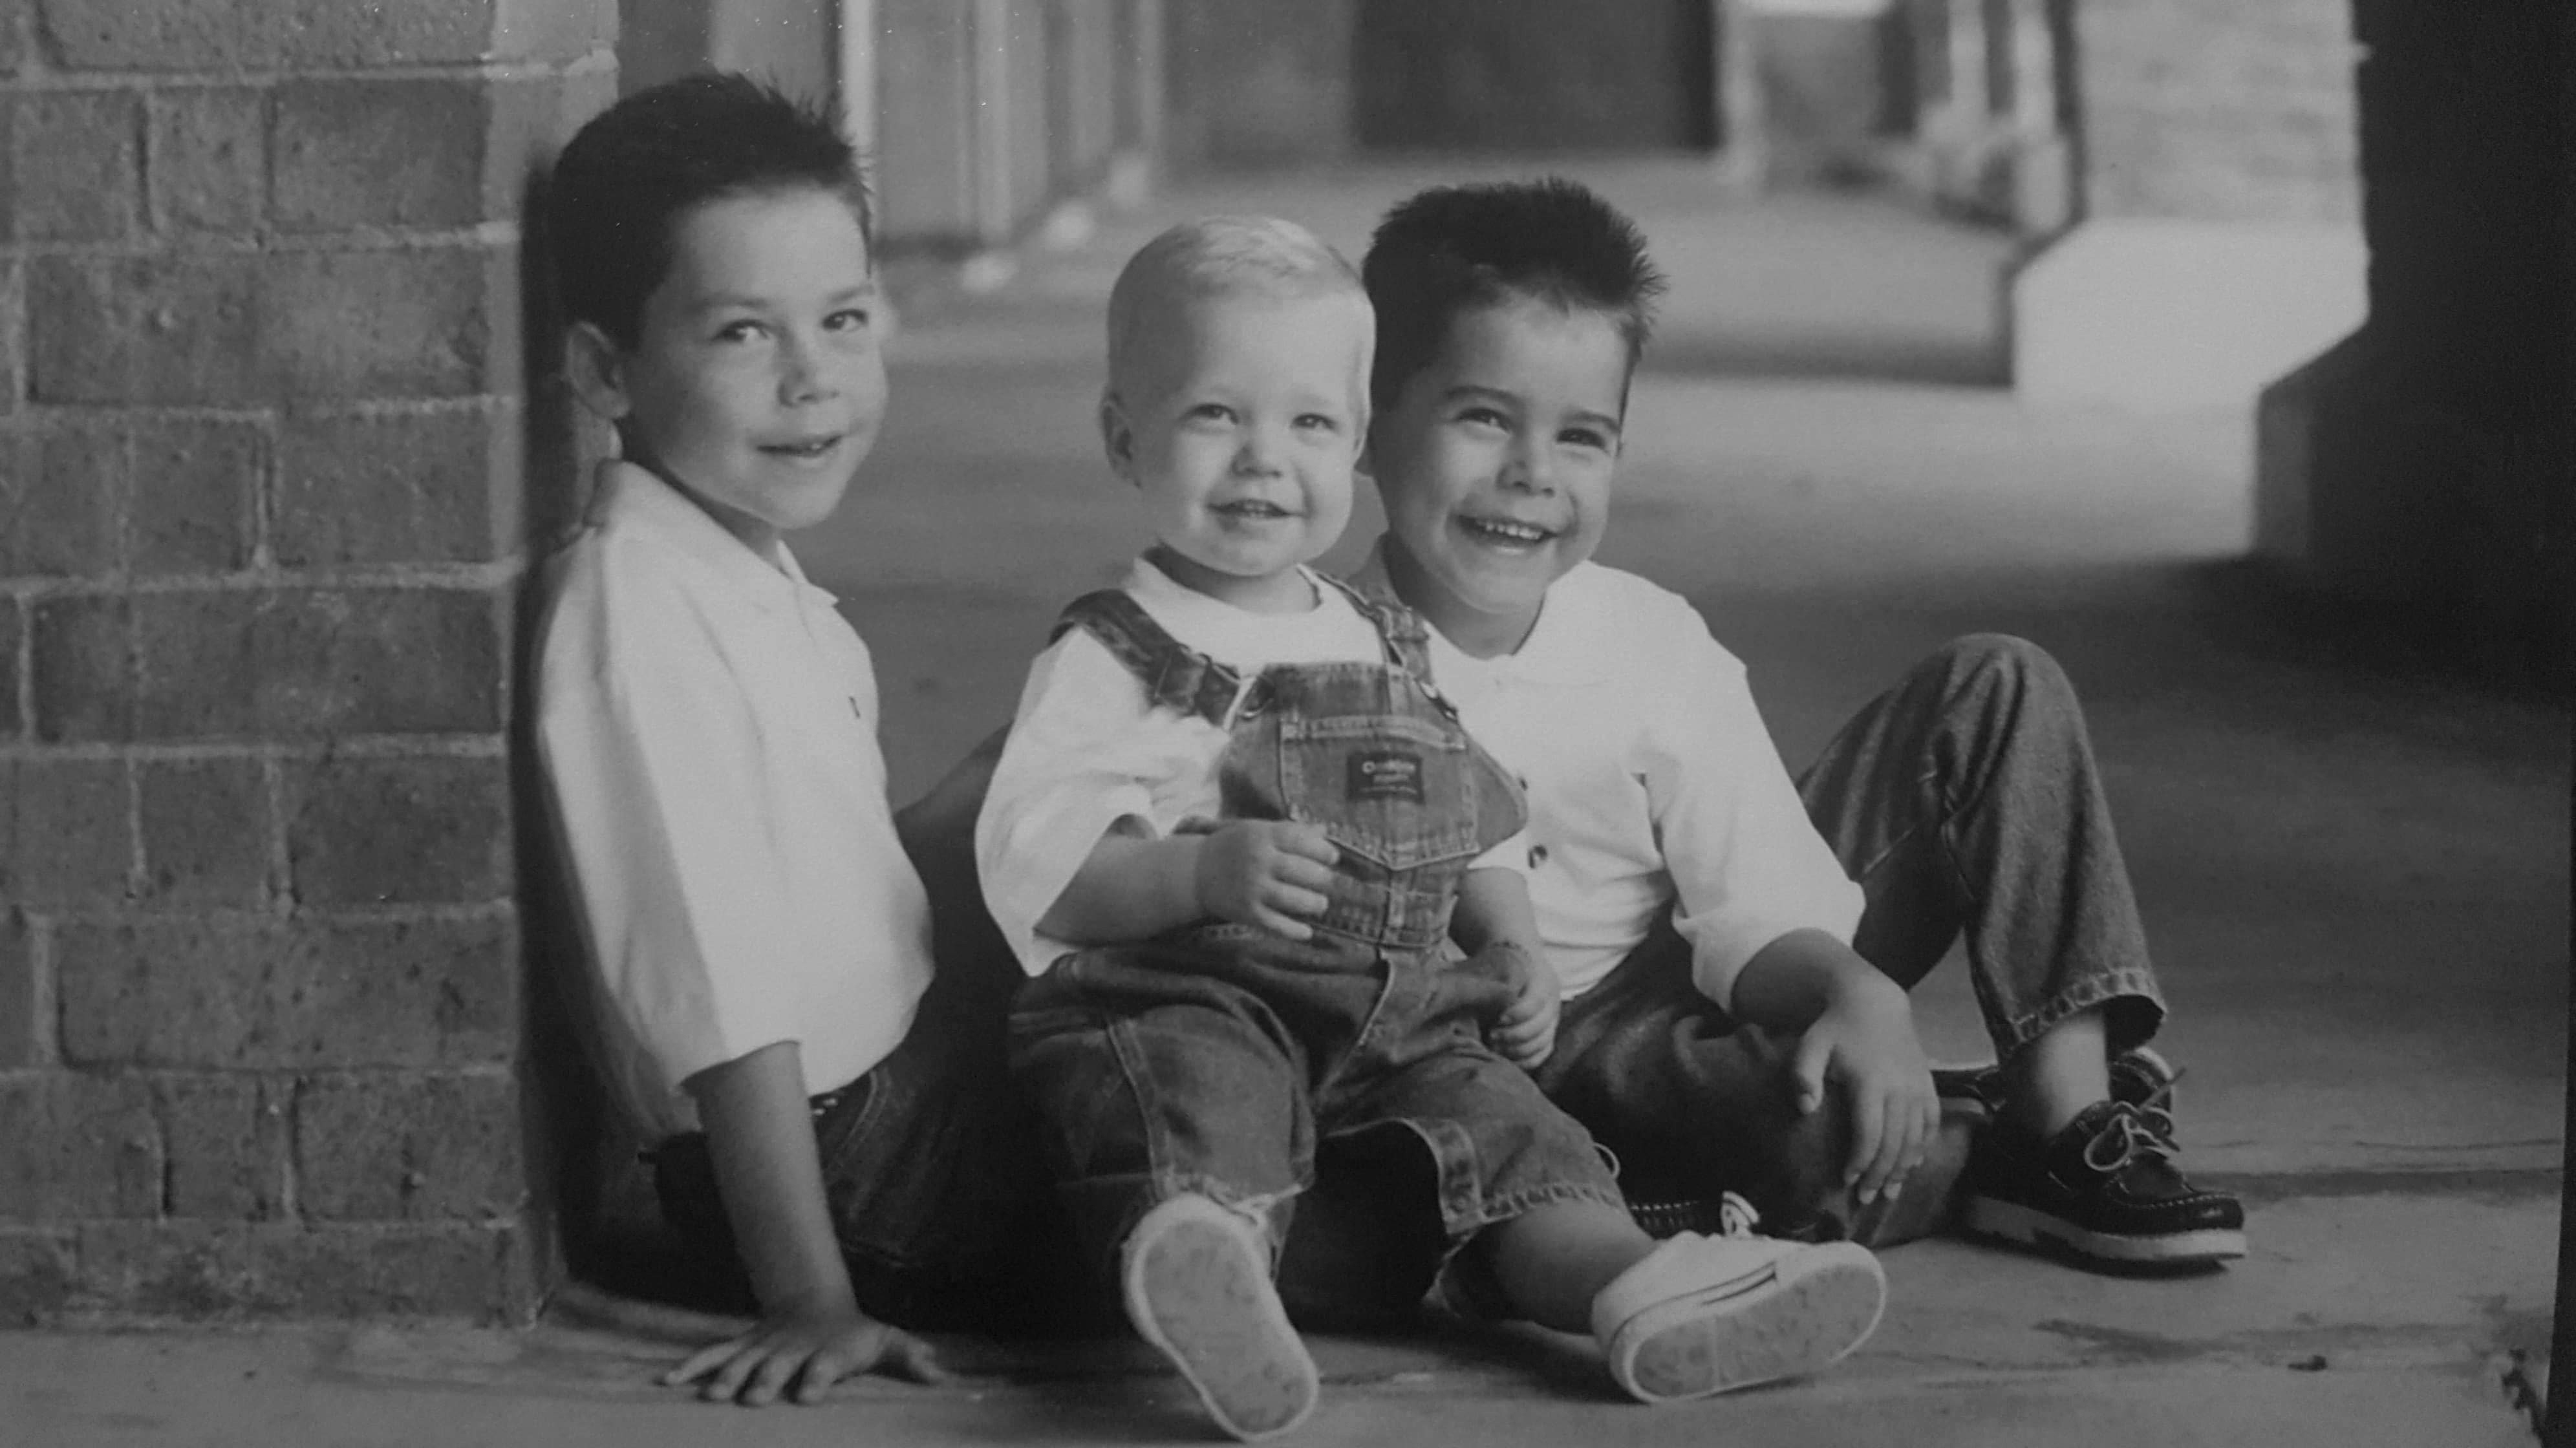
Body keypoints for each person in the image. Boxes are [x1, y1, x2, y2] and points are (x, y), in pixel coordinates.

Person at [975, 215, 1888, 1440]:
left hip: (1397, 1004)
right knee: (1199, 1098)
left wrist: (1507, 943)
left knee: (1509, 1131)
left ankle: (1634, 1288)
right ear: (1121, 436)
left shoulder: (1375, 635)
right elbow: (1036, 862)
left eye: (1305, 423)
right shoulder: (1119, 647)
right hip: (1195, 989)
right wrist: (1197, 872)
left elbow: (1468, 815)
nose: (1262, 462)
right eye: (1213, 417)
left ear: (1353, 441)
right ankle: (1217, 1276)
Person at [1347, 176, 2247, 1272]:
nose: (1533, 475)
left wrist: (1855, 991)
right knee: (1848, 1144)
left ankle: (2065, 1126)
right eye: (1483, 417)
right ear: (1363, 421)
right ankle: (1941, 1132)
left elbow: (1750, 896)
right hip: (1532, 1059)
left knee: (1999, 686)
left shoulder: (1649, 635)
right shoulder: (1316, 668)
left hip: (1701, 969)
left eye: (1582, 437)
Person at [533, 73, 1069, 1409]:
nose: (812, 378)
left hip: (888, 1091)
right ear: (607, 370)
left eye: (840, 318)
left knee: (1137, 832)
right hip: (849, 1171)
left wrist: (1033, 769)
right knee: (1307, 1166)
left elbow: (832, 893)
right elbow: (722, 994)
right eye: (740, 334)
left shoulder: (733, 566)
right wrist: (814, 1299)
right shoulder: (639, 622)